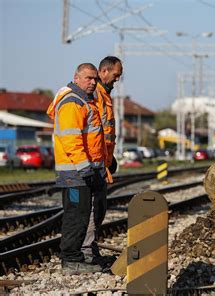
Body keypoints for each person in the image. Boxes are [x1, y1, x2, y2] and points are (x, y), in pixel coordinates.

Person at [47, 63, 106, 274]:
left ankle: (76, 257)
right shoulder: (73, 103)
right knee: (76, 216)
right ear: (77, 77)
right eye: (89, 78)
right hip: (75, 173)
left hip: (83, 171)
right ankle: (70, 260)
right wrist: (84, 168)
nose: (93, 82)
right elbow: (71, 139)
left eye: (95, 79)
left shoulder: (85, 102)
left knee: (82, 214)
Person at [81, 56, 123, 267]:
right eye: (115, 75)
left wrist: (109, 159)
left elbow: (105, 133)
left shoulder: (104, 94)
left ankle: (91, 249)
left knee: (99, 208)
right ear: (104, 71)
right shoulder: (95, 93)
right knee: (92, 208)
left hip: (102, 162)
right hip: (93, 162)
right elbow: (94, 131)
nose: (117, 80)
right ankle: (86, 252)